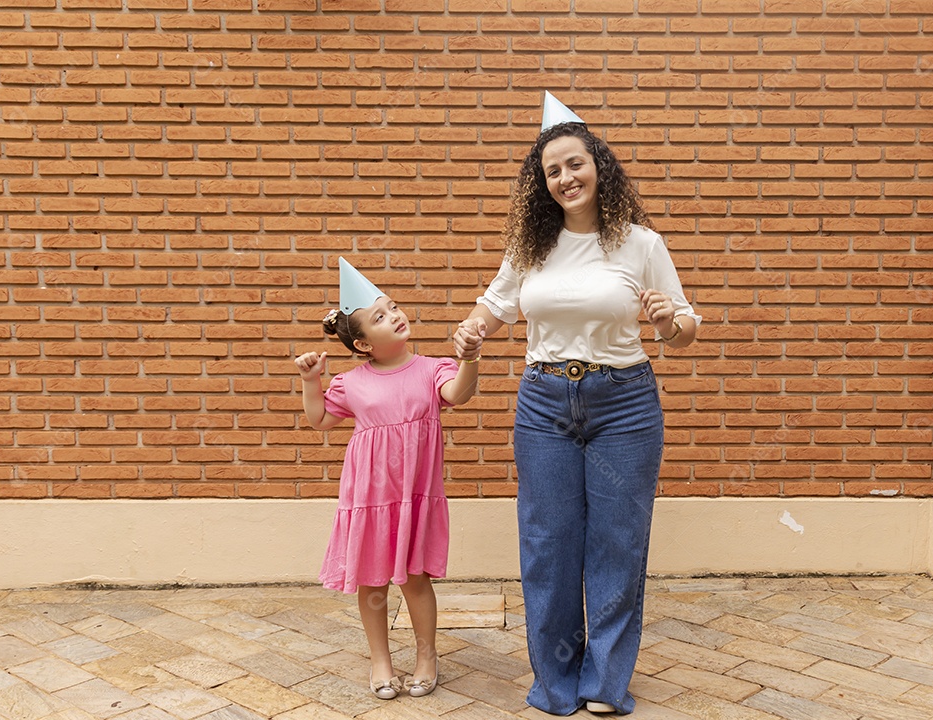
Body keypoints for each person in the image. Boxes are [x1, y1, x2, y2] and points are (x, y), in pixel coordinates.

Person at [453, 92, 700, 716]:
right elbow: (495, 302)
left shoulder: (641, 244)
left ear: (600, 166)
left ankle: (605, 683)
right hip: (544, 405)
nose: (566, 178)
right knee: (547, 540)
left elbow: (683, 328)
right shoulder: (529, 246)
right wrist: (475, 325)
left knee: (618, 540)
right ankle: (556, 682)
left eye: (575, 164)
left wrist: (670, 320)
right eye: (553, 170)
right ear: (543, 184)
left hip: (624, 403)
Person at [295, 257, 482, 701]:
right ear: (362, 343)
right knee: (372, 580)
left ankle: (425, 656)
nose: (395, 315)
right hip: (370, 497)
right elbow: (320, 419)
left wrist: (468, 359)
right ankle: (380, 660)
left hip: (414, 496)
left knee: (415, 577)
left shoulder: (432, 369)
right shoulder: (352, 382)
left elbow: (459, 393)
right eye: (380, 316)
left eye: (393, 306)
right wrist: (310, 380)